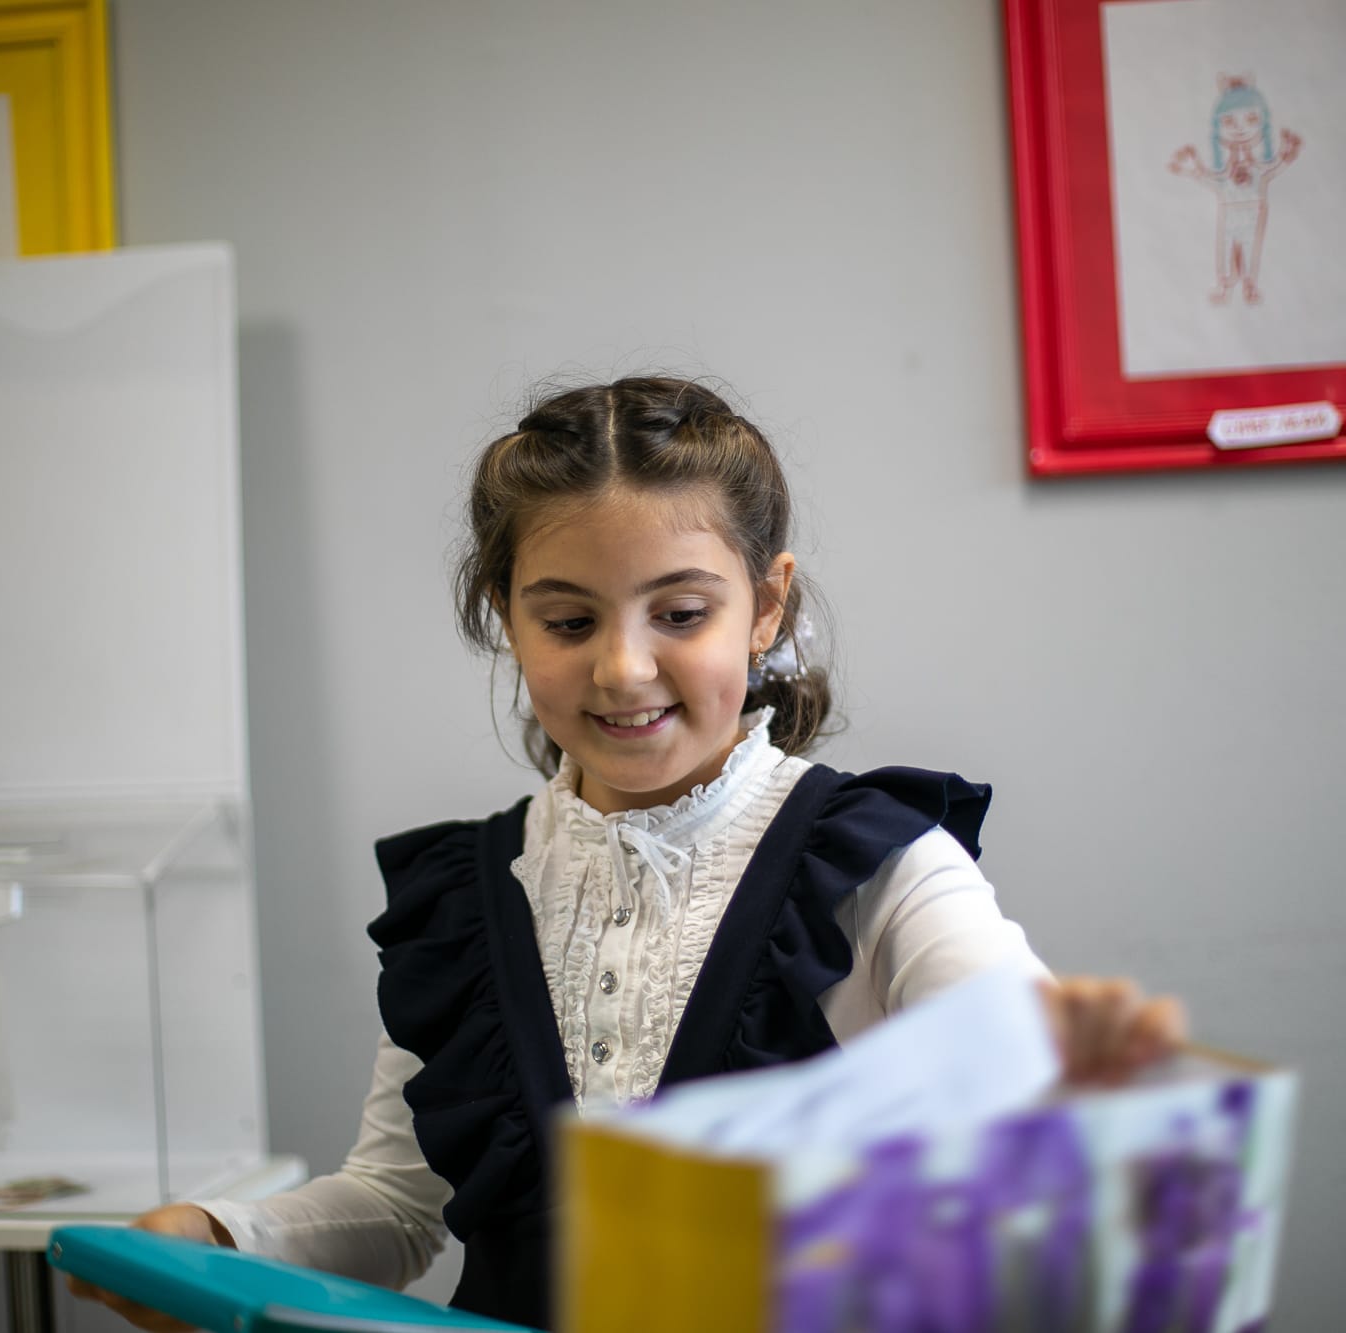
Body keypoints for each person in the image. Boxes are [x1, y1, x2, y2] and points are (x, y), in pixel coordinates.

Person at [70, 376, 1186, 1332]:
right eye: (568, 622)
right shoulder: (465, 895)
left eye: (680, 613)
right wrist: (218, 1237)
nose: (623, 668)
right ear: (505, 617)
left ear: (765, 606)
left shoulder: (882, 868)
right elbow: (400, 1207)